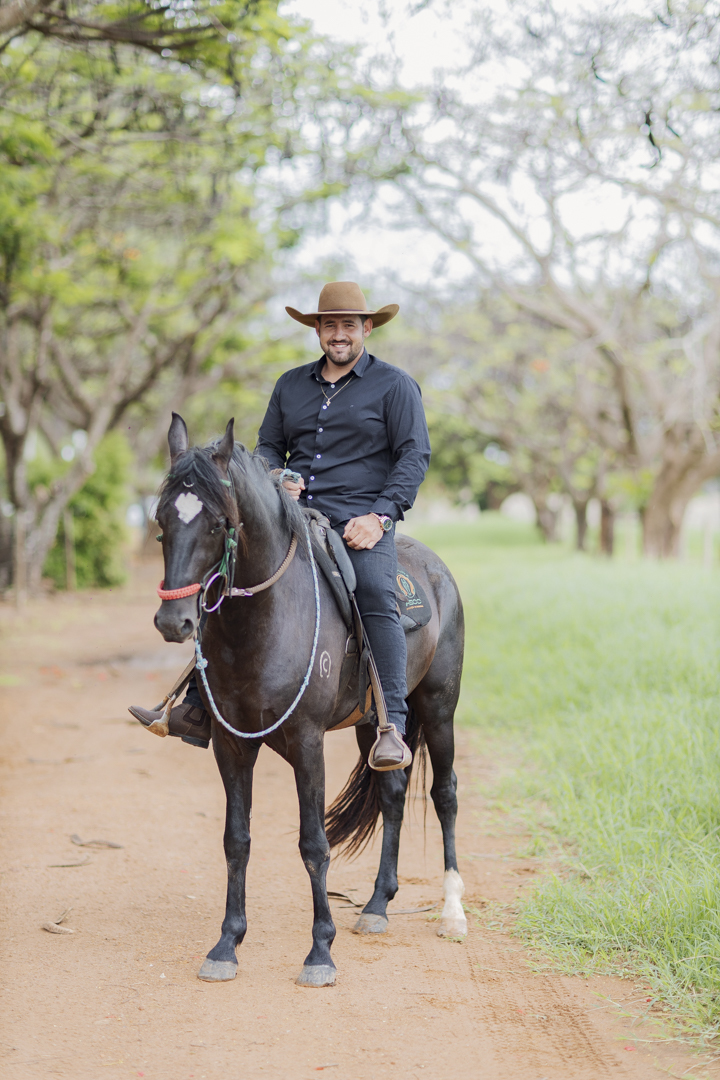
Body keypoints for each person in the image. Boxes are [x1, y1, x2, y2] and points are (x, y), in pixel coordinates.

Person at [131, 281, 431, 771]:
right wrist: (276, 476)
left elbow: (413, 458)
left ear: (367, 329)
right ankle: (197, 705)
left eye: (348, 325)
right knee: (226, 579)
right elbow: (267, 447)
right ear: (317, 330)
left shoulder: (395, 386)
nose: (338, 334)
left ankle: (391, 725)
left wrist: (379, 518)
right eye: (329, 324)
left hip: (360, 521)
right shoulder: (290, 385)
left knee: (376, 594)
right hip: (291, 515)